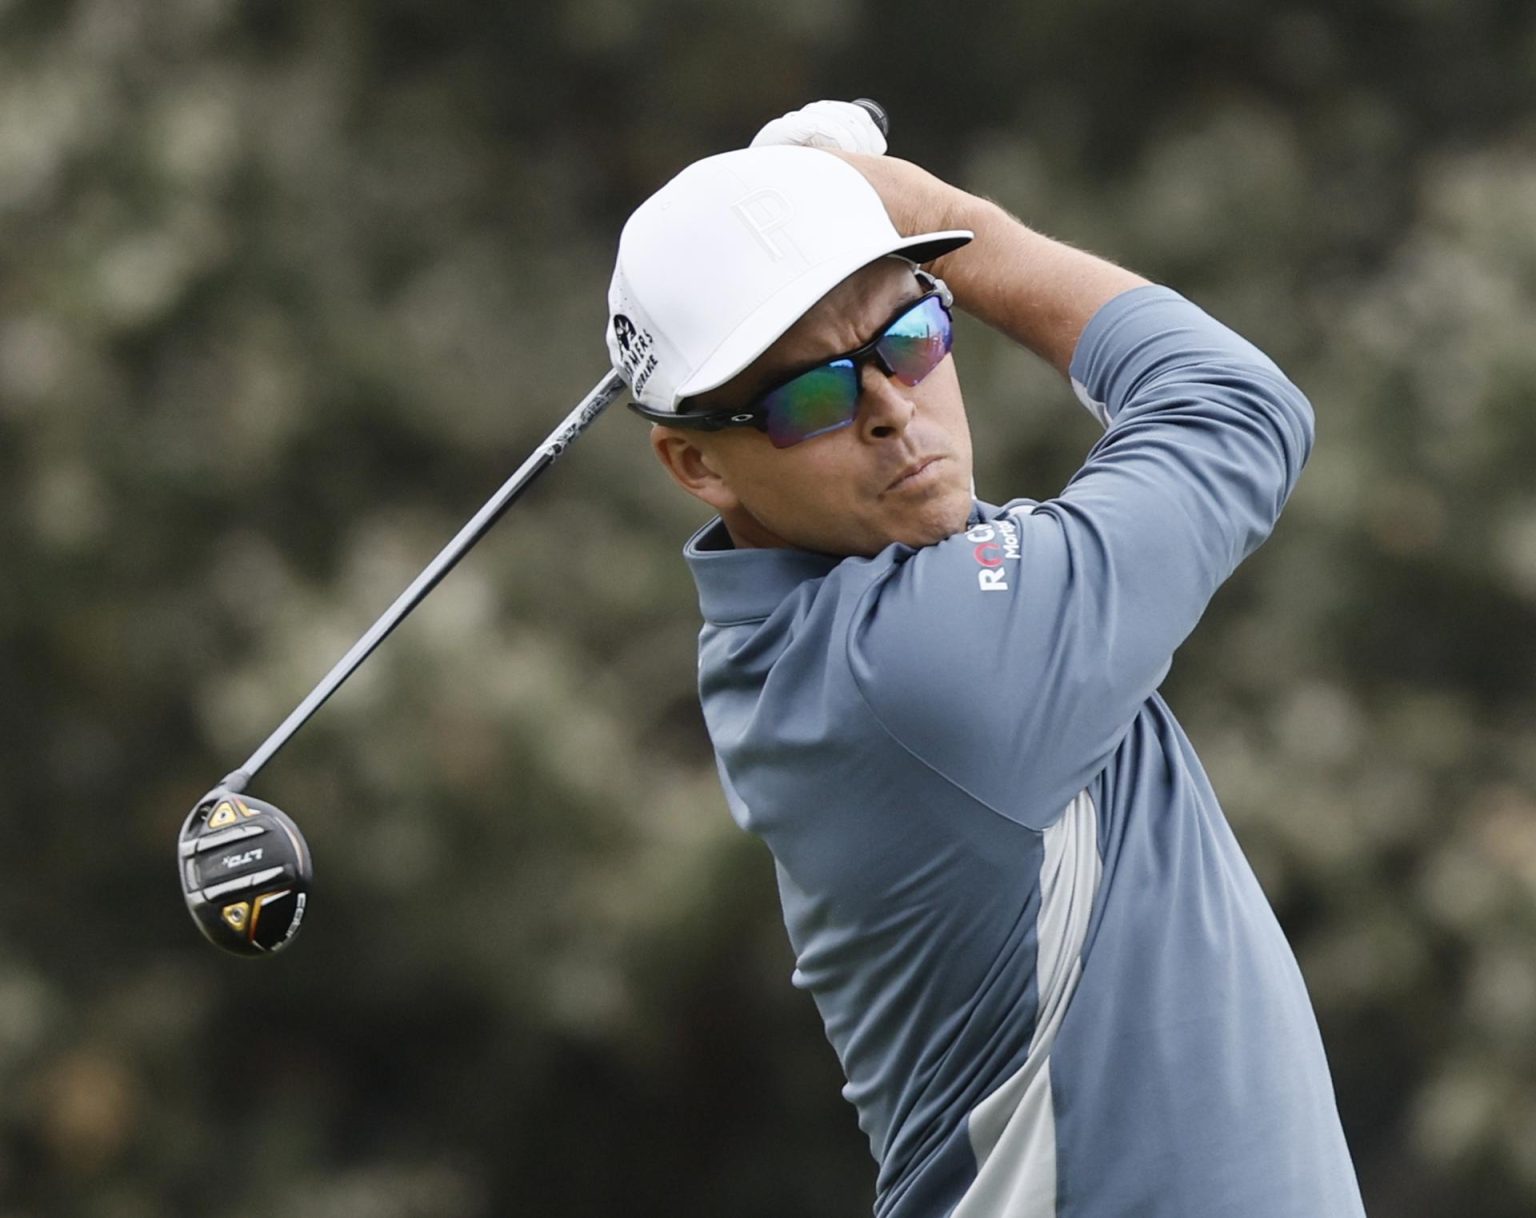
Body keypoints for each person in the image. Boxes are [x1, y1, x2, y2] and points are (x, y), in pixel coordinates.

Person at [606, 101, 1367, 1218]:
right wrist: (931, 209)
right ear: (696, 465)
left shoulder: (861, 604)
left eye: (910, 339)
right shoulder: (920, 669)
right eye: (811, 397)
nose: (891, 411)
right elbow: (1235, 409)